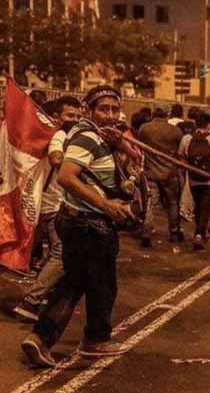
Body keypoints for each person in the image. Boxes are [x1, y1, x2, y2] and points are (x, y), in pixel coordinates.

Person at [22, 86, 136, 368]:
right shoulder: (86, 138)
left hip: (81, 221)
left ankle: (40, 338)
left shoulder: (100, 137)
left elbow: (133, 167)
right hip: (89, 224)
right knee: (102, 287)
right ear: (89, 111)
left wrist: (122, 146)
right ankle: (95, 340)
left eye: (114, 109)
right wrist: (107, 206)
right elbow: (67, 177)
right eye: (103, 109)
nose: (110, 115)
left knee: (73, 283)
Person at [13, 97, 83, 322]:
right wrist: (76, 164)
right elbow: (55, 159)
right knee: (62, 252)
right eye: (70, 115)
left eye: (79, 116)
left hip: (48, 204)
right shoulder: (59, 136)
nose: (75, 120)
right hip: (52, 206)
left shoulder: (63, 135)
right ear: (56, 117)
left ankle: (42, 293)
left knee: (56, 252)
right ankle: (31, 301)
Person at [178, 112, 210, 250]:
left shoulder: (187, 139)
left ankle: (200, 232)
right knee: (207, 207)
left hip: (193, 180)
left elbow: (181, 157)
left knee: (199, 207)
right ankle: (199, 234)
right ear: (209, 124)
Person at [138, 107, 185, 246]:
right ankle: (174, 231)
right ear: (167, 113)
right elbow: (179, 151)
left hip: (150, 171)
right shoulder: (175, 131)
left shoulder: (144, 129)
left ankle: (146, 230)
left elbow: (141, 145)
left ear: (153, 113)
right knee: (172, 202)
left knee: (150, 203)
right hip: (170, 172)